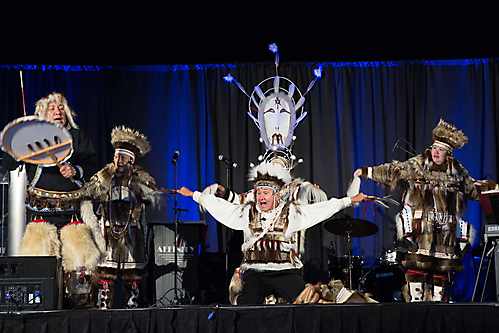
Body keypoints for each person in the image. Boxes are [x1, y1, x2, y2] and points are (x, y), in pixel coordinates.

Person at [177, 161, 368, 304]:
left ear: (276, 195)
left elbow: (318, 210)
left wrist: (349, 200)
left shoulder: (291, 212)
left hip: (285, 271)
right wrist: (195, 195)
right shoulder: (246, 212)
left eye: (266, 193)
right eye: (259, 193)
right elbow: (222, 207)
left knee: (307, 303)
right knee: (244, 306)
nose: (261, 196)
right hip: (256, 272)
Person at [353, 119, 496, 302]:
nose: (436, 152)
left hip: (445, 230)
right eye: (435, 148)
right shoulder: (418, 165)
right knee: (417, 268)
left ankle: (437, 305)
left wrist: (492, 188)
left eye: (441, 150)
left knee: (440, 269)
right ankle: (416, 304)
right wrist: (368, 172)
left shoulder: (457, 171)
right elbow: (394, 171)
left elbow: (472, 188)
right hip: (420, 229)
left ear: (448, 153)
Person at [1, 92, 102, 308]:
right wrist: (21, 137)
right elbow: (9, 164)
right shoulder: (32, 139)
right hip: (40, 211)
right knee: (40, 262)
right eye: (52, 109)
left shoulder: (77, 137)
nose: (58, 113)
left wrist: (75, 170)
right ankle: (42, 305)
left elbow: (92, 165)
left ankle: (79, 305)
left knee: (78, 262)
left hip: (71, 211)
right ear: (43, 114)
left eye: (61, 109)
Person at [85, 126, 163, 309]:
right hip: (107, 232)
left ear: (131, 159)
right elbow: (89, 191)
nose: (117, 160)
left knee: (133, 275)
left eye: (122, 157)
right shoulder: (104, 176)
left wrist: (138, 188)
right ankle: (103, 307)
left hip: (132, 233)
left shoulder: (140, 177)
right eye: (116, 156)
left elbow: (153, 195)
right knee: (105, 272)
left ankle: (132, 307)